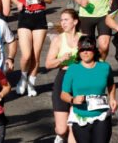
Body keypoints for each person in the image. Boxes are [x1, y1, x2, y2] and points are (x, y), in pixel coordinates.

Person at [11, 0, 55, 97]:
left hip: (39, 17)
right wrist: (18, 3)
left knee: (36, 55)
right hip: (25, 17)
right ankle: (23, 78)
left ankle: (31, 83)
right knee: (26, 55)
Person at [59, 35, 116, 143]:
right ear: (79, 51)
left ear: (94, 50)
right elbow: (63, 94)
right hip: (80, 117)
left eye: (88, 49)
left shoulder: (104, 67)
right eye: (82, 49)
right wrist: (73, 100)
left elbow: (111, 84)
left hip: (101, 115)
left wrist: (112, 98)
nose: (85, 52)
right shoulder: (72, 69)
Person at [45, 9, 83, 143]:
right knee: (62, 129)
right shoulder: (58, 40)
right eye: (61, 20)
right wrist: (61, 59)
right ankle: (60, 136)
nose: (63, 23)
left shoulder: (84, 38)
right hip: (63, 77)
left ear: (75, 21)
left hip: (80, 79)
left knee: (74, 125)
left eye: (66, 20)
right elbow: (48, 64)